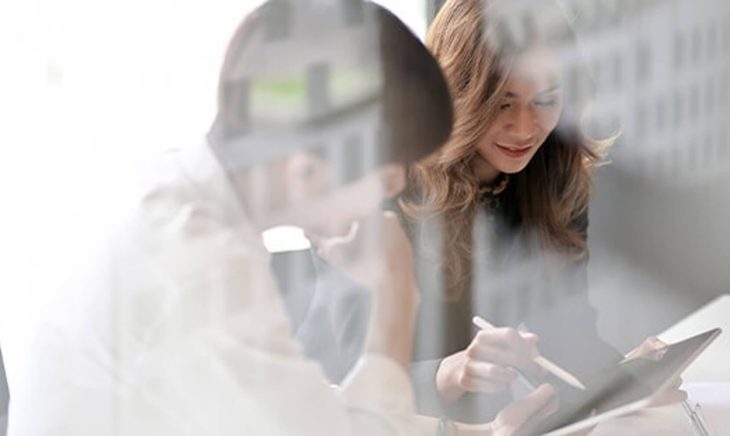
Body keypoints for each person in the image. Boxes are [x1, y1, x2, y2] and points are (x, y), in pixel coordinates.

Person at [8, 1, 559, 435]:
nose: (392, 194)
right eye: (388, 175)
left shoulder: (180, 203)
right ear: (307, 172)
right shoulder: (199, 267)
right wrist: (396, 295)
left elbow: (306, 409)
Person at [296, 0, 685, 425]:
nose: (525, 127)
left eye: (548, 98)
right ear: (454, 92)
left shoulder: (552, 178)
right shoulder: (378, 183)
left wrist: (626, 379)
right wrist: (453, 372)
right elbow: (349, 372)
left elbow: (566, 340)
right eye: (501, 102)